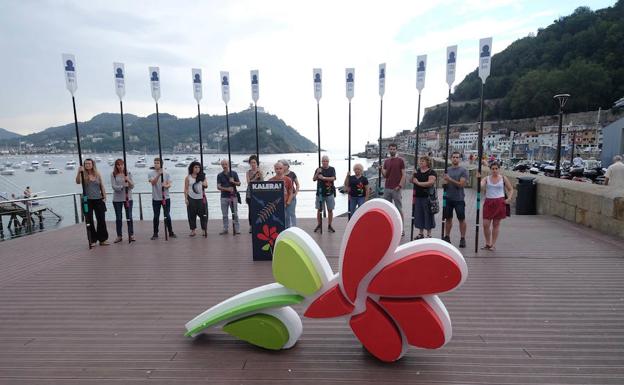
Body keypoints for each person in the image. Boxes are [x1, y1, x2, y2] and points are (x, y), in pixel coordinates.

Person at [480, 161, 513, 251]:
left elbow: (510, 189)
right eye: (493, 169)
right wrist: (479, 180)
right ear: (490, 169)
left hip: (499, 202)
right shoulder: (486, 178)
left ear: (499, 169)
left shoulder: (503, 178)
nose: (494, 170)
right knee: (485, 224)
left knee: (496, 224)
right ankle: (487, 243)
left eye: (496, 169)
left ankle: (493, 244)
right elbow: (481, 185)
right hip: (489, 202)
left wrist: (509, 198)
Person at [75, 158, 109, 246]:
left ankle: (103, 239)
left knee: (101, 219)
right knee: (89, 220)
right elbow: (78, 182)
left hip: (98, 199)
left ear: (92, 164)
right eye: (86, 164)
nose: (87, 165)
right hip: (87, 200)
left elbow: (102, 186)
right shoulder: (83, 174)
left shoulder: (97, 174)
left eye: (89, 164)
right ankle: (92, 240)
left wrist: (104, 196)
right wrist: (79, 172)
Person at [442, 151, 468, 248]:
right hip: (448, 198)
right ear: (451, 158)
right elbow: (444, 183)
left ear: (460, 159)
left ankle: (462, 238)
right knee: (448, 218)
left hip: (459, 198)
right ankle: (447, 236)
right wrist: (444, 182)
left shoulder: (463, 171)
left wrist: (449, 180)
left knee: (461, 218)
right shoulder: (447, 170)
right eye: (453, 157)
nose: (455, 159)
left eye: (457, 157)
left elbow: (461, 185)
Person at [148, 157, 176, 240]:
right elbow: (153, 183)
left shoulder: (167, 174)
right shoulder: (151, 173)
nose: (156, 164)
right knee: (156, 216)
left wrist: (166, 186)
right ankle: (155, 233)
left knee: (167, 215)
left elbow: (169, 184)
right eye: (155, 163)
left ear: (161, 164)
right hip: (156, 198)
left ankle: (170, 232)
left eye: (157, 163)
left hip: (166, 198)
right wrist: (159, 175)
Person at [382, 143, 406, 233]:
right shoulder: (386, 161)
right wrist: (381, 170)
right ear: (389, 149)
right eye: (391, 149)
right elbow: (385, 176)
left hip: (396, 188)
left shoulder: (400, 161)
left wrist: (399, 186)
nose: (392, 150)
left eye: (394, 149)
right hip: (387, 188)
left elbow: (404, 174)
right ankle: (389, 228)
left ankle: (401, 229)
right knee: (387, 209)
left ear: (396, 150)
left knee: (399, 209)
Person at [110, 159, 135, 243]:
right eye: (118, 165)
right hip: (117, 199)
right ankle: (119, 235)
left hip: (128, 198)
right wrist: (122, 186)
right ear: (116, 166)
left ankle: (131, 234)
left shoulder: (128, 173)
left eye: (121, 164)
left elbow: (132, 186)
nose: (120, 166)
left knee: (129, 216)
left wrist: (128, 180)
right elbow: (114, 186)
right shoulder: (113, 174)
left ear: (124, 165)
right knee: (118, 218)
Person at [413, 155, 437, 239]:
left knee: (428, 214)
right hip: (418, 197)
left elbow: (430, 182)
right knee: (419, 214)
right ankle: (420, 233)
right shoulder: (417, 171)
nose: (420, 162)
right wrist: (413, 175)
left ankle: (429, 234)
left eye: (422, 161)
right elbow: (411, 180)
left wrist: (418, 183)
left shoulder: (431, 172)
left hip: (427, 197)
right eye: (420, 161)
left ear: (427, 162)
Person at [184, 161, 208, 237]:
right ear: (192, 168)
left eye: (198, 167)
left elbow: (206, 185)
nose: (197, 169)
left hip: (201, 198)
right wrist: (186, 198)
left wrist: (201, 180)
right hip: (191, 198)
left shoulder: (202, 177)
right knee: (191, 215)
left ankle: (204, 229)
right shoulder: (188, 177)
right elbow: (186, 189)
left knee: (204, 214)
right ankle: (193, 230)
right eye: (195, 167)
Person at [313, 155, 336, 233]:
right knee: (319, 210)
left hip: (330, 193)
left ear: (328, 161)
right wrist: (317, 173)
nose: (325, 162)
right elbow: (314, 179)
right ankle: (319, 224)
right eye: (323, 161)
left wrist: (323, 178)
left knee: (330, 210)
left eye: (326, 161)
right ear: (321, 162)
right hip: (320, 193)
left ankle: (330, 225)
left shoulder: (332, 169)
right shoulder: (318, 169)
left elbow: (333, 178)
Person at [217, 159, 241, 235]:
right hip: (224, 197)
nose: (224, 166)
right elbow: (218, 186)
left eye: (225, 164)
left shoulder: (234, 173)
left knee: (235, 214)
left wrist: (233, 182)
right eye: (223, 164)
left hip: (233, 196)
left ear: (228, 164)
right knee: (224, 214)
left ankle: (237, 229)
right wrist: (227, 189)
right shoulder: (219, 175)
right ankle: (225, 229)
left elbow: (239, 183)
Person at [246, 154, 264, 233]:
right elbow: (249, 183)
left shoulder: (260, 171)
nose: (253, 164)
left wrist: (260, 175)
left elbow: (262, 182)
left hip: (259, 193)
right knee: (251, 210)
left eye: (254, 162)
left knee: (259, 209)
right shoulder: (248, 172)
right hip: (250, 193)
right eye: (251, 163)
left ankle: (259, 224)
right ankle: (251, 225)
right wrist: (255, 177)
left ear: (257, 163)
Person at [281, 159, 300, 228]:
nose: (283, 166)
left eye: (284, 165)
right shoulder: (280, 175)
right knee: (285, 214)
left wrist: (296, 193)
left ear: (287, 166)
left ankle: (294, 228)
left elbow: (297, 184)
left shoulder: (292, 174)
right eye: (282, 165)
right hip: (283, 197)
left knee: (291, 213)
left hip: (292, 196)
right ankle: (287, 228)